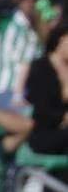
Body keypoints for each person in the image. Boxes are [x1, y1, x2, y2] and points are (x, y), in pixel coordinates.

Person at [25, 24, 68, 155]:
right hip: (47, 132)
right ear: (61, 39)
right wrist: (64, 117)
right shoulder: (41, 67)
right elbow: (42, 109)